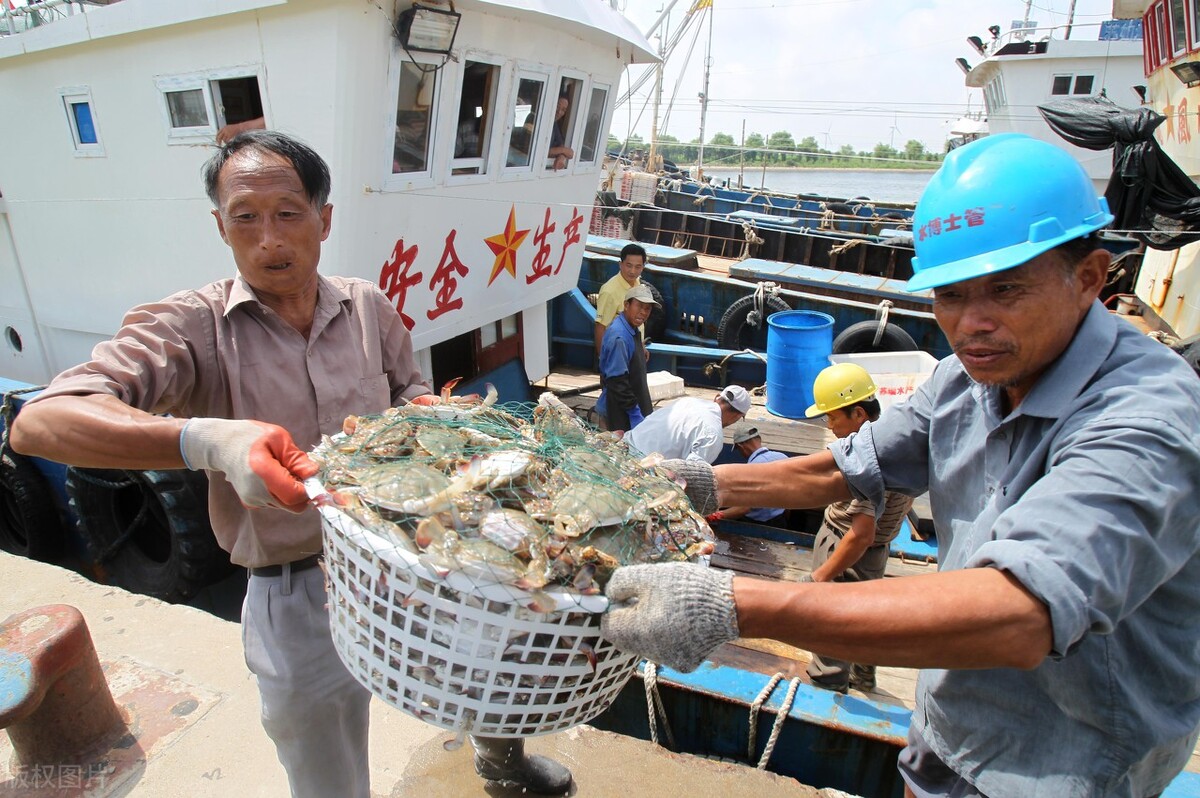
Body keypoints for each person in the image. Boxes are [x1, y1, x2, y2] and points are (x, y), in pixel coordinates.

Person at [600, 134, 1200, 798]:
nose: (972, 324)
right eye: (950, 295)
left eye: (1006, 291)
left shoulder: (1147, 417)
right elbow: (847, 467)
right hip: (948, 732)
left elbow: (1021, 612)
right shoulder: (967, 378)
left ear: (1088, 278)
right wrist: (701, 481)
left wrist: (732, 604)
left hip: (1061, 769)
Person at [9, 130, 572, 797]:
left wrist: (437, 417)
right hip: (295, 585)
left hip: (414, 553)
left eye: (288, 214)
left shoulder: (367, 306)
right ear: (220, 227)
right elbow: (41, 422)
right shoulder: (195, 328)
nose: (269, 239)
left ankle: (501, 763)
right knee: (323, 761)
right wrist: (207, 441)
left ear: (324, 219)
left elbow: (405, 394)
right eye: (245, 217)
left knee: (486, 657)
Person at [800, 362, 915, 694]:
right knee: (864, 616)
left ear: (859, 414)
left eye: (834, 417)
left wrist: (820, 577)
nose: (829, 424)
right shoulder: (894, 438)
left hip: (847, 549)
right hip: (876, 551)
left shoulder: (869, 457)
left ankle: (827, 691)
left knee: (831, 624)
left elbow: (860, 534)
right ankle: (863, 674)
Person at [624, 385, 750, 463]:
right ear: (738, 416)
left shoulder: (688, 401)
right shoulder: (714, 435)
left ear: (717, 397)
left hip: (624, 445)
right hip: (641, 467)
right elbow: (692, 476)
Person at [597, 284, 657, 432]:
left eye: (648, 308)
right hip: (619, 415)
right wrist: (635, 414)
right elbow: (617, 382)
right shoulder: (620, 338)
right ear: (626, 305)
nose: (643, 312)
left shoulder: (631, 329)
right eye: (639, 306)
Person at [705, 425, 787, 524]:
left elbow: (743, 509)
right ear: (759, 439)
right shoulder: (783, 458)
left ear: (741, 446)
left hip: (756, 524)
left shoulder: (751, 469)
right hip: (780, 519)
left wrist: (714, 516)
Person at [594, 243, 648, 358]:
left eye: (638, 267)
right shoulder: (609, 291)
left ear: (643, 267)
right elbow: (601, 327)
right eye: (629, 265)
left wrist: (641, 346)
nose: (632, 271)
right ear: (620, 264)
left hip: (634, 351)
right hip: (616, 353)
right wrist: (603, 360)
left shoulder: (638, 285)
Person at [547, 93, 574, 171]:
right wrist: (565, 151)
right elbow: (539, 151)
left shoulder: (554, 124)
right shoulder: (534, 119)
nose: (559, 112)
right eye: (557, 106)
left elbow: (560, 145)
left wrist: (561, 156)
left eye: (563, 110)